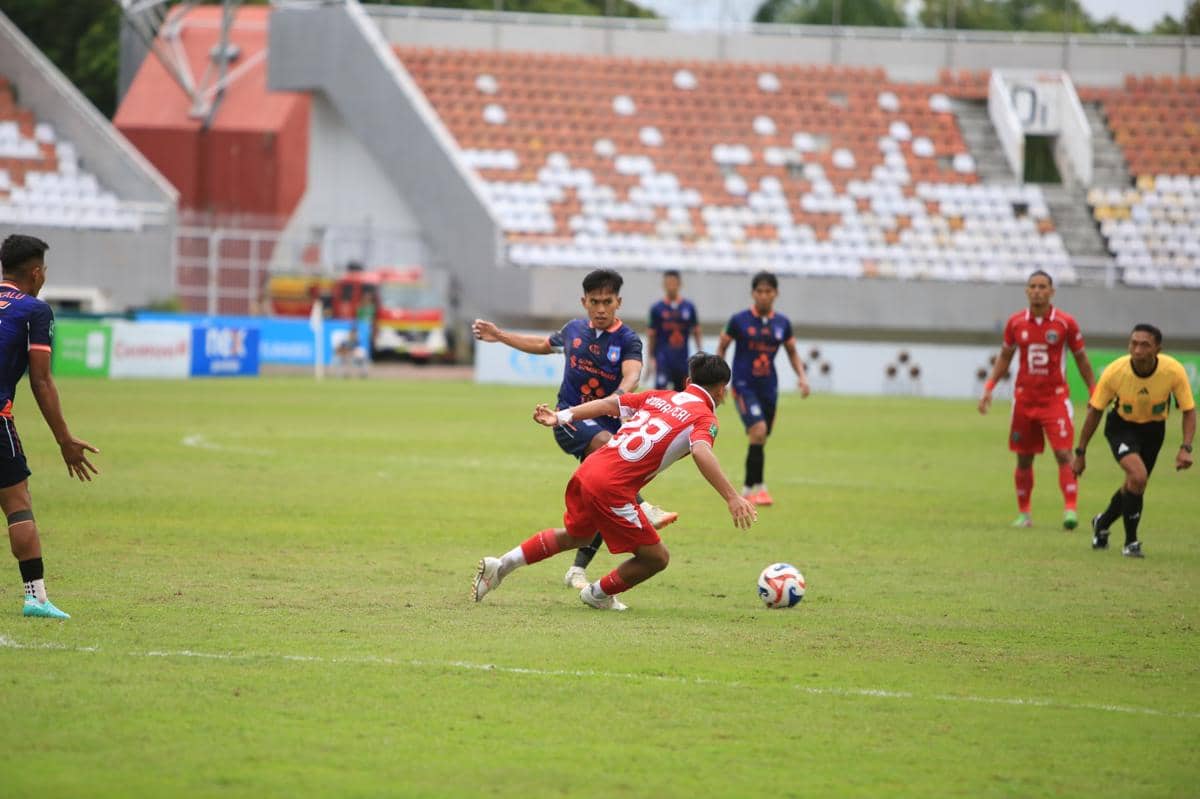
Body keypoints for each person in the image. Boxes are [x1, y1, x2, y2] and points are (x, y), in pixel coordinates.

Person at [472, 353, 757, 610]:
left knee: (578, 536)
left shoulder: (659, 396)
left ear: (687, 381)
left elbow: (609, 404)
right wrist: (732, 496)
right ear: (722, 390)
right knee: (656, 558)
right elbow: (701, 451)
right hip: (613, 487)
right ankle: (597, 594)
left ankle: (501, 566)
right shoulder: (705, 418)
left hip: (590, 468)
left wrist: (561, 416)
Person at [471, 268, 677, 594]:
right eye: (594, 302)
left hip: (607, 432)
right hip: (568, 422)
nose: (600, 309)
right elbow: (542, 344)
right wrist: (501, 335)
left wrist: (622, 394)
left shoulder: (627, 340)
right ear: (584, 302)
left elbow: (632, 375)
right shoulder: (574, 330)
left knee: (596, 508)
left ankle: (522, 568)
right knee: (608, 452)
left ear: (618, 302)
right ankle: (642, 506)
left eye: (607, 302)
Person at [0, 235, 99, 619]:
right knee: (17, 502)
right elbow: (41, 381)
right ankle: (36, 597)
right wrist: (64, 441)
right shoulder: (34, 311)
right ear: (37, 272)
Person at [979, 270, 1096, 529]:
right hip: (1023, 400)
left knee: (1064, 454)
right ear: (1026, 290)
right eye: (1032, 286)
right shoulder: (1015, 322)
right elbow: (1005, 356)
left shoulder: (1065, 323)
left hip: (1054, 400)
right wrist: (989, 386)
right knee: (1023, 457)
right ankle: (1025, 514)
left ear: (1052, 291)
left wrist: (1093, 390)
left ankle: (1070, 509)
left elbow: (1081, 359)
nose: (1037, 291)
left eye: (1043, 286)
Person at [1072, 324, 1194, 557]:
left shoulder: (1174, 371)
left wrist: (1185, 448)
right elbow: (1095, 411)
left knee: (1135, 484)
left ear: (1158, 348)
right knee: (1138, 477)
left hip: (1154, 431)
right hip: (1121, 427)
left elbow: (1188, 410)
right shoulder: (1115, 372)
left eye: (1145, 345)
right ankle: (1131, 542)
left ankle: (1102, 523)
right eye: (1133, 343)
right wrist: (1080, 453)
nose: (1137, 350)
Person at [716, 271, 809, 507]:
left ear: (776, 294)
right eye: (760, 291)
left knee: (761, 437)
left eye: (769, 291)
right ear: (753, 293)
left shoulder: (782, 324)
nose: (764, 296)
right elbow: (722, 346)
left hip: (769, 387)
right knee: (758, 431)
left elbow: (792, 352)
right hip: (744, 386)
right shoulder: (739, 320)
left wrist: (802, 377)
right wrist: (719, 380)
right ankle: (760, 489)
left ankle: (749, 489)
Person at [647, 270, 703, 392]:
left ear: (680, 284)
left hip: (682, 360)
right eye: (668, 283)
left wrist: (700, 351)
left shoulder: (689, 307)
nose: (671, 286)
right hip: (663, 359)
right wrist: (650, 358)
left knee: (682, 395)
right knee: (660, 394)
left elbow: (696, 330)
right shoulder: (656, 308)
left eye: (674, 283)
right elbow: (652, 335)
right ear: (663, 285)